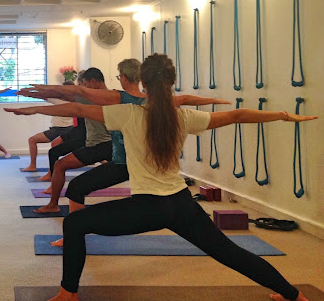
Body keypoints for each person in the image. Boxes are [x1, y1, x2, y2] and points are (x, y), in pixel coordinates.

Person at [5, 53, 314, 301]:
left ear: (142, 83)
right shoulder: (184, 117)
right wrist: (285, 115)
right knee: (228, 252)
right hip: (182, 204)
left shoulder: (127, 114)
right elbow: (236, 115)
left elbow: (76, 108)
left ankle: (68, 296)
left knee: (74, 225)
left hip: (147, 207)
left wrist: (34, 109)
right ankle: (293, 295)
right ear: (171, 82)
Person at [24, 58, 229, 246]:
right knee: (79, 186)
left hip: (124, 161)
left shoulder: (118, 97)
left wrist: (39, 91)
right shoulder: (151, 101)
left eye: (119, 76)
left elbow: (78, 97)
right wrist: (216, 101)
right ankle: (74, 231)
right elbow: (184, 98)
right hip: (127, 160)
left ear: (123, 77)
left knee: (78, 187)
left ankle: (73, 234)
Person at [19, 67, 113, 213]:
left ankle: (53, 205)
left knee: (61, 166)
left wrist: (36, 103)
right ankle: (53, 204)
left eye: (86, 85)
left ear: (94, 82)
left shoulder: (98, 98)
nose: (84, 88)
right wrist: (37, 94)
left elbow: (67, 99)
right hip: (100, 145)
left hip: (102, 145)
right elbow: (64, 97)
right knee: (61, 165)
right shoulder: (107, 96)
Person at [20, 81, 76, 172]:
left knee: (34, 140)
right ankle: (34, 166)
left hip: (63, 130)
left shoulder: (60, 100)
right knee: (33, 140)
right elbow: (43, 95)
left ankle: (45, 169)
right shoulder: (76, 101)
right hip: (62, 129)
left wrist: (28, 92)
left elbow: (42, 95)